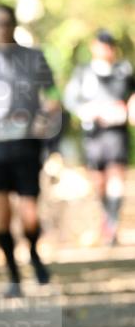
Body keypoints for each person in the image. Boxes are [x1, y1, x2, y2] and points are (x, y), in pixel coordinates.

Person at [0, 3, 61, 296]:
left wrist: (44, 117)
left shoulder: (34, 58)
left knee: (29, 212)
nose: (1, 28)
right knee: (2, 214)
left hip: (26, 144)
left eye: (6, 22)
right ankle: (13, 275)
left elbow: (53, 93)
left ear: (14, 24)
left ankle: (33, 253)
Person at [63, 30, 135, 245]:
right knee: (99, 182)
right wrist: (89, 110)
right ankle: (106, 218)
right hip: (94, 135)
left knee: (116, 179)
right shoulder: (83, 72)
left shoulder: (124, 70)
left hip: (117, 133)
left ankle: (112, 226)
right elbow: (71, 100)